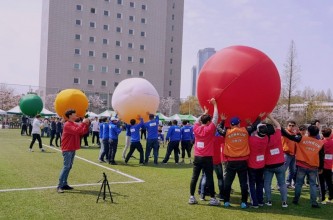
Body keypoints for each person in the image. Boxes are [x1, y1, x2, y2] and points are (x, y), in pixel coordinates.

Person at [217, 112, 264, 208]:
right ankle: (243, 202)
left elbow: (218, 129)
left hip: (231, 161)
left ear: (231, 124)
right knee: (243, 183)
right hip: (243, 161)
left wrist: (222, 120)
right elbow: (254, 127)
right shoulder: (245, 130)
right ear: (239, 124)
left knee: (228, 183)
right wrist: (258, 117)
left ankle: (226, 201)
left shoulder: (227, 132)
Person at [282, 125, 324, 208]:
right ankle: (314, 203)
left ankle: (296, 199)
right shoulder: (320, 143)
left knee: (298, 184)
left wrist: (280, 128)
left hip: (302, 165)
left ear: (308, 132)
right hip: (313, 167)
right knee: (312, 185)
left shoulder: (302, 138)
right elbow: (322, 157)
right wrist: (321, 168)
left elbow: (289, 136)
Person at [188, 98, 220, 206]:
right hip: (207, 157)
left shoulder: (196, 128)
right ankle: (212, 199)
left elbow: (197, 121)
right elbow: (216, 117)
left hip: (197, 156)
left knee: (194, 177)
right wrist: (215, 104)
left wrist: (204, 113)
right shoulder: (210, 128)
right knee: (209, 177)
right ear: (208, 122)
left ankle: (192, 197)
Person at [57, 109, 90, 193]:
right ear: (70, 115)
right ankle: (59, 186)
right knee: (66, 166)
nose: (76, 115)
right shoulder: (67, 124)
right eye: (74, 114)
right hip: (67, 148)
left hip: (72, 148)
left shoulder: (73, 124)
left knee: (69, 166)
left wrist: (86, 124)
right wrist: (83, 123)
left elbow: (82, 131)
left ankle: (64, 184)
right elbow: (77, 130)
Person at [264, 114, 288, 208]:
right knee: (282, 184)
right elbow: (278, 126)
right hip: (280, 164)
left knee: (267, 183)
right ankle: (284, 202)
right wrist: (270, 117)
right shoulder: (277, 135)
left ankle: (269, 201)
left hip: (268, 166)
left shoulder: (264, 139)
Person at [247, 123, 269, 208]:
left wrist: (250, 124)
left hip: (252, 165)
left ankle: (254, 203)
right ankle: (260, 201)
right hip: (261, 165)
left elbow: (248, 132)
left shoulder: (251, 140)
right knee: (260, 183)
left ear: (257, 131)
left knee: (251, 184)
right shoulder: (266, 138)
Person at [319, 128, 333, 204]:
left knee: (321, 182)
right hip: (329, 165)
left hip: (321, 165)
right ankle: (330, 197)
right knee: (329, 182)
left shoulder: (320, 142)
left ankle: (322, 198)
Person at [282, 120, 297, 189]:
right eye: (289, 125)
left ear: (295, 126)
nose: (291, 127)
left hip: (293, 154)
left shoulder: (295, 134)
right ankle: (280, 184)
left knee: (293, 170)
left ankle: (288, 183)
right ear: (287, 126)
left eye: (292, 125)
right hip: (286, 154)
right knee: (283, 170)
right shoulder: (285, 132)